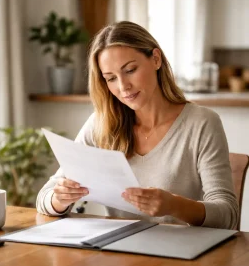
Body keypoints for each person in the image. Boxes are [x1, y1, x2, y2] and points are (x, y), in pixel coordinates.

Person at [36, 21, 238, 229]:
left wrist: (174, 205)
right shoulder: (102, 123)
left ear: (156, 59)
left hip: (181, 256)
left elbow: (228, 214)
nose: (123, 86)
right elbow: (44, 197)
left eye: (130, 70)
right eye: (111, 78)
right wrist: (60, 199)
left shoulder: (202, 123)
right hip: (119, 253)